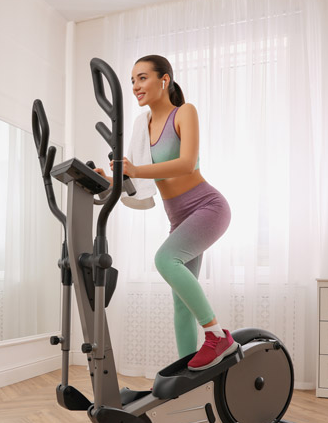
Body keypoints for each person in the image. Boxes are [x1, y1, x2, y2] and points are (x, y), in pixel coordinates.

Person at [94, 55, 238, 371]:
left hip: (207, 208)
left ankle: (217, 336)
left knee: (164, 260)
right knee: (181, 304)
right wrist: (105, 177)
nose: (135, 86)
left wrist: (136, 169)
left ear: (164, 80)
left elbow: (187, 162)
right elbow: (130, 174)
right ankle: (188, 374)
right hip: (180, 220)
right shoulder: (140, 126)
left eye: (142, 78)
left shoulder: (184, 113)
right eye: (132, 80)